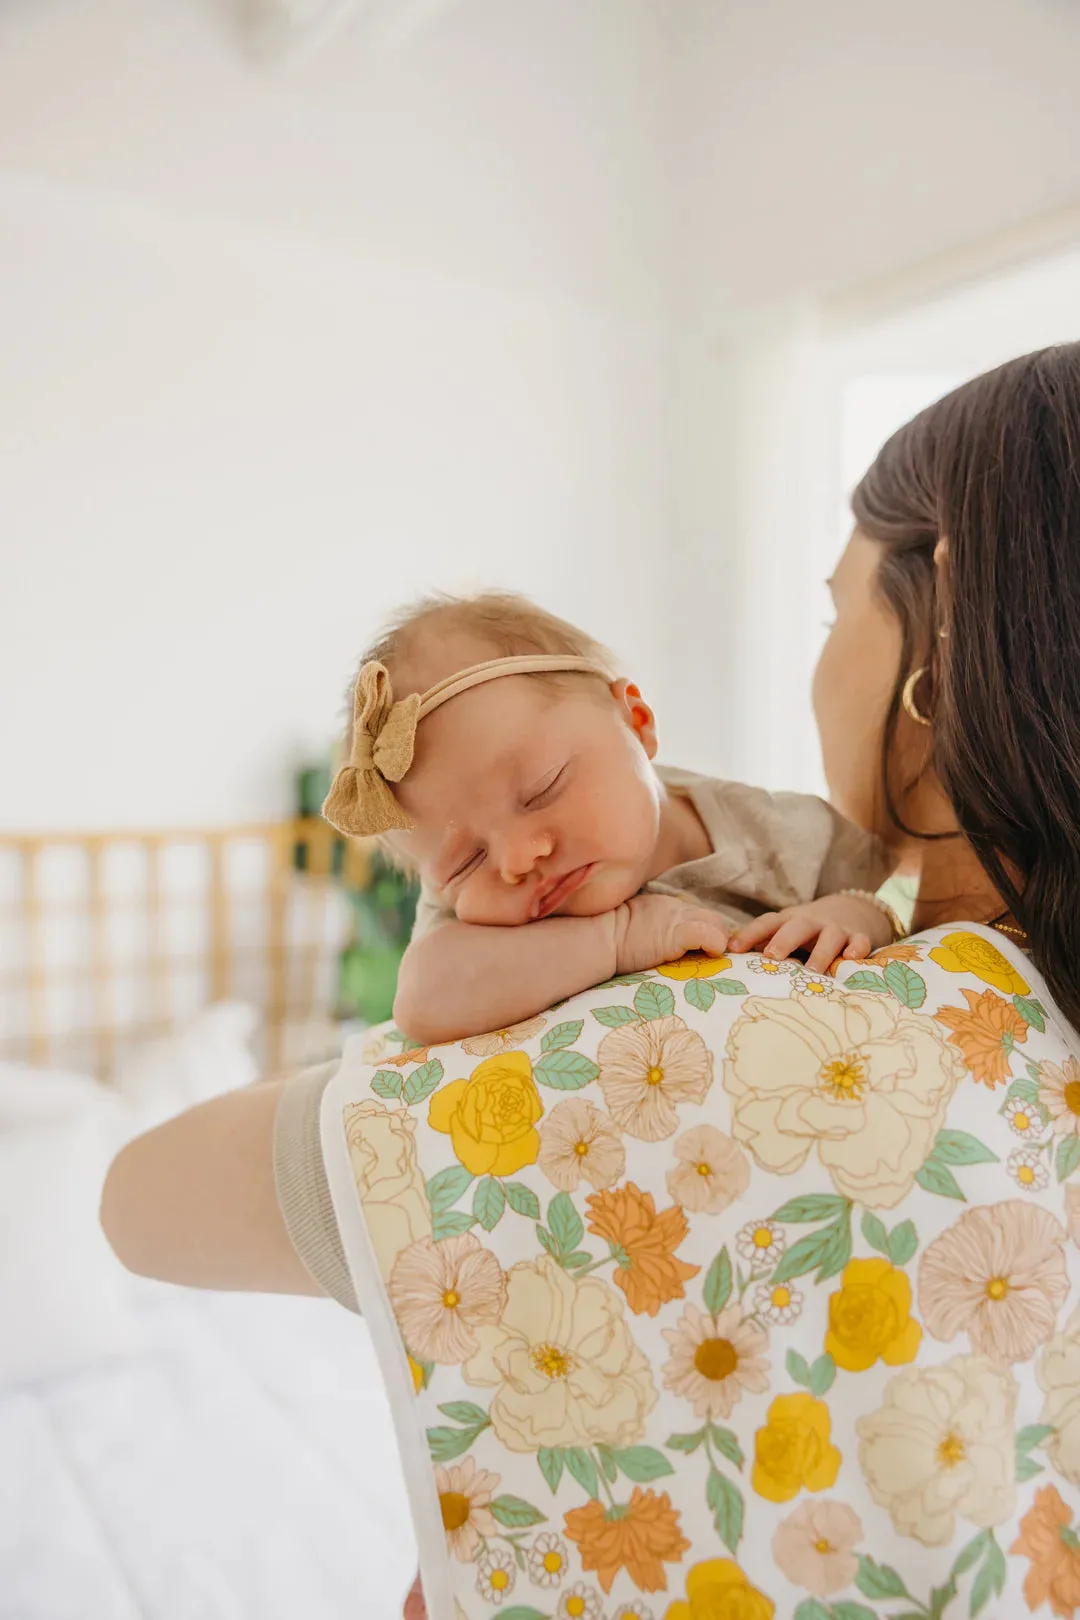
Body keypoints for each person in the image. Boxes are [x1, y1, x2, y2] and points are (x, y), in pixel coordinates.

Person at [101, 343, 1080, 1618]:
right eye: (459, 859)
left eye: (834, 608)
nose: (519, 857)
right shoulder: (1027, 1014)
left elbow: (136, 1202)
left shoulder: (714, 1042)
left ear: (942, 629)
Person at [322, 590, 898, 1050]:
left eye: (541, 789)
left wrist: (851, 916)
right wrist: (616, 938)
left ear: (637, 721)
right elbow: (423, 1000)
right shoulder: (473, 928)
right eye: (467, 862)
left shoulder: (776, 833)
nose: (518, 859)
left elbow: (893, 902)